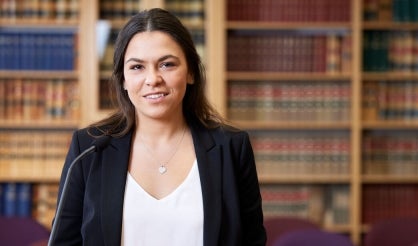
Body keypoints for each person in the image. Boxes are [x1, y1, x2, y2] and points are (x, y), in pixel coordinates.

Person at [49, 8, 266, 245]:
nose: (152, 79)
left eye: (167, 64)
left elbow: (252, 240)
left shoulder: (232, 148)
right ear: (122, 79)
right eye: (137, 67)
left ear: (191, 72)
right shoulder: (88, 149)